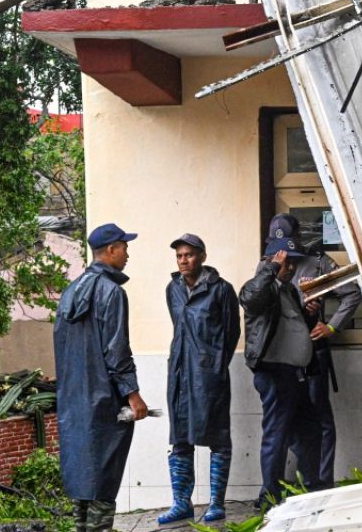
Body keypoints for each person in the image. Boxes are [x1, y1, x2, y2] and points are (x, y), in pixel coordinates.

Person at [53, 223, 148, 532]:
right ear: (110, 250)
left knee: (82, 483)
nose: (128, 253)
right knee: (104, 480)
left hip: (74, 403)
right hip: (105, 401)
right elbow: (117, 350)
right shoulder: (112, 292)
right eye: (124, 246)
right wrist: (133, 394)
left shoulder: (69, 293)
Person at [268, 214, 362, 489]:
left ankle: (322, 482)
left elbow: (352, 293)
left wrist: (332, 327)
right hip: (282, 356)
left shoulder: (318, 262)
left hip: (312, 352)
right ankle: (293, 483)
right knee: (285, 420)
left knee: (320, 419)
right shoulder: (265, 265)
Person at [157, 234, 241, 525]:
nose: (183, 261)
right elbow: (179, 327)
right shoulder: (173, 289)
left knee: (217, 437)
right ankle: (181, 503)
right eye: (179, 256)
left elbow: (231, 334)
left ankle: (216, 503)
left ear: (202, 256)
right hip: (179, 373)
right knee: (180, 437)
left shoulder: (221, 290)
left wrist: (215, 364)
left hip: (209, 375)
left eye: (189, 255)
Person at [240, 232, 323, 506]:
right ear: (273, 261)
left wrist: (310, 313)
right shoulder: (262, 287)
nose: (292, 268)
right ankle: (268, 495)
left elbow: (294, 330)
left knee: (310, 430)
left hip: (294, 374)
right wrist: (271, 268)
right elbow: (249, 298)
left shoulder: (288, 290)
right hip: (274, 373)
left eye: (294, 263)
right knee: (276, 433)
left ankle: (309, 487)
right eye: (288, 263)